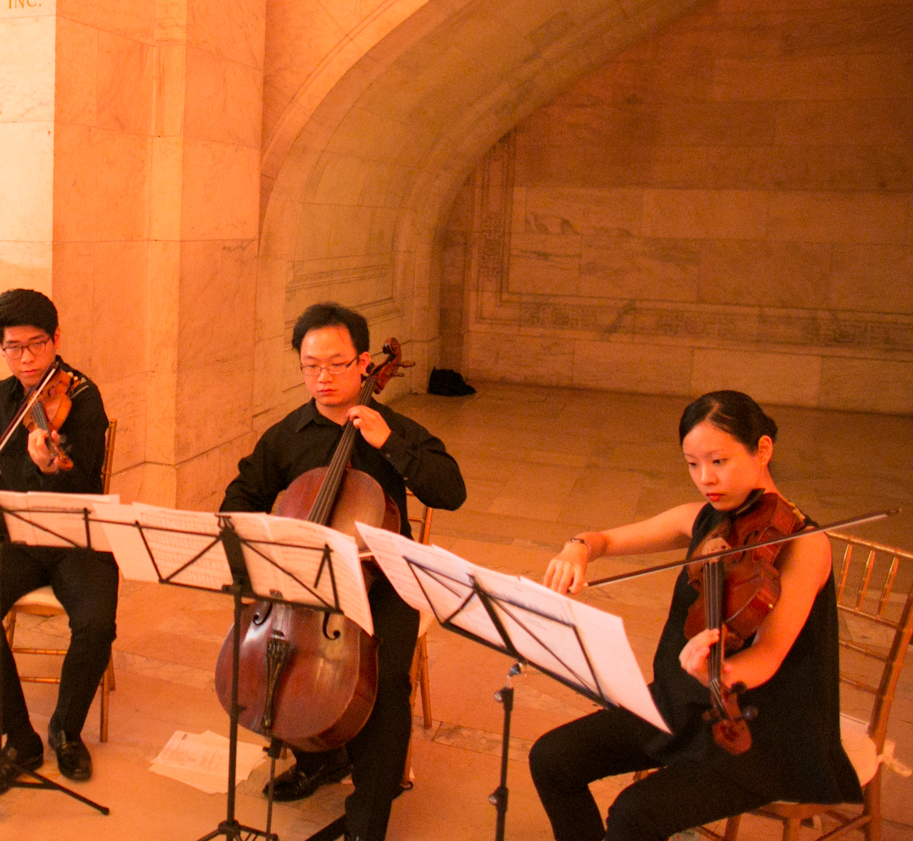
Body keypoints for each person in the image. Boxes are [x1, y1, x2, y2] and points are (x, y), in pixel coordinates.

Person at [530, 390, 861, 841]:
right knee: (551, 758)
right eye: (692, 464)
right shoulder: (703, 519)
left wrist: (718, 670)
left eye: (719, 461)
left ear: (763, 449)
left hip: (757, 731)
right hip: (682, 701)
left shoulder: (805, 546)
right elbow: (605, 539)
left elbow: (767, 656)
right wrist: (579, 547)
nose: (706, 479)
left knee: (634, 814)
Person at [220, 302, 467, 841]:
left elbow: (451, 491)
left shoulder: (394, 428)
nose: (323, 377)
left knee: (383, 684)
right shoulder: (289, 434)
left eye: (336, 364)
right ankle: (319, 759)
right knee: (281, 660)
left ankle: (369, 816)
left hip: (382, 585)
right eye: (311, 366)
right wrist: (259, 550)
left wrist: (388, 443)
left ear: (363, 364)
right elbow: (240, 496)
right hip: (305, 583)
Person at [0, 288, 114, 795]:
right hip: (18, 537)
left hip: (80, 536)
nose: (27, 359)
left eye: (36, 345)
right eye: (14, 348)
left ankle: (66, 729)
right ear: (2, 348)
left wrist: (48, 462)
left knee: (96, 622)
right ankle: (20, 738)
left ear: (56, 340)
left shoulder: (83, 397)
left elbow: (84, 468)